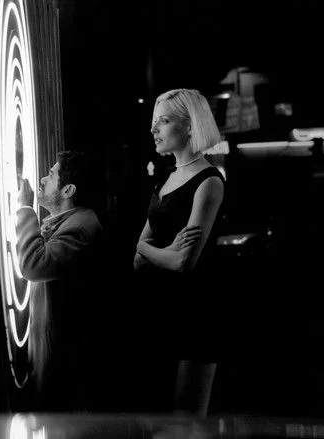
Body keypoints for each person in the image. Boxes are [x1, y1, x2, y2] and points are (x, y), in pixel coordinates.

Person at [133, 88, 225, 416]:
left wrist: (148, 249)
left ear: (189, 125)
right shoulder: (165, 180)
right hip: (158, 312)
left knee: (187, 424)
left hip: (195, 314)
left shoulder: (209, 181)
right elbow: (137, 260)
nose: (153, 129)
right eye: (154, 122)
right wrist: (156, 251)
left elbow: (184, 262)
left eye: (163, 121)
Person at [16, 150, 104, 411]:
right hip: (56, 357)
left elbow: (35, 265)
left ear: (68, 190)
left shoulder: (82, 227)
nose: (42, 179)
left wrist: (25, 209)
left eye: (51, 174)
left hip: (65, 364)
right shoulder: (72, 221)